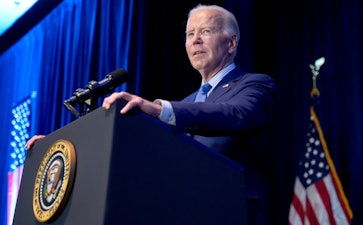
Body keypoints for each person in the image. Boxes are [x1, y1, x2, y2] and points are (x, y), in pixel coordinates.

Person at [26, 4, 277, 225]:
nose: (195, 40)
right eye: (190, 34)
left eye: (206, 31)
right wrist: (54, 149)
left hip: (232, 212)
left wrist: (158, 108)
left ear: (231, 42)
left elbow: (235, 114)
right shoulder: (186, 103)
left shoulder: (255, 85)